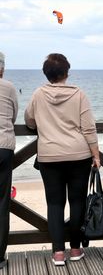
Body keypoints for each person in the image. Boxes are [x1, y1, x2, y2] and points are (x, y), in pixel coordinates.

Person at [24, 53, 100, 266]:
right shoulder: (79, 95)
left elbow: (29, 120)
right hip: (78, 156)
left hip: (49, 156)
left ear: (46, 74)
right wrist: (96, 154)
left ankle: (58, 253)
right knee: (77, 202)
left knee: (55, 204)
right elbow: (88, 128)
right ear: (67, 72)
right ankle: (75, 250)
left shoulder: (38, 94)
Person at [0, 52, 18, 269]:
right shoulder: (9, 87)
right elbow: (13, 116)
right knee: (2, 203)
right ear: (2, 68)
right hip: (3, 147)